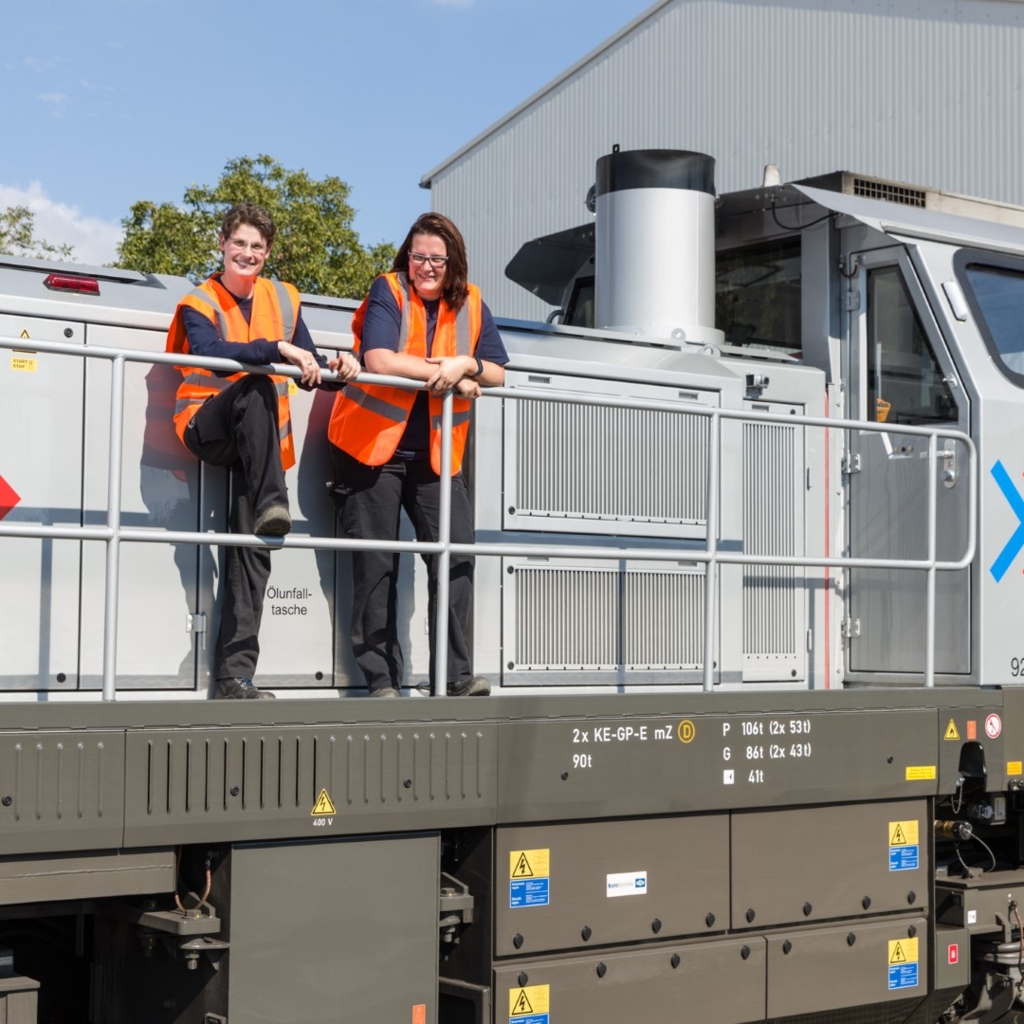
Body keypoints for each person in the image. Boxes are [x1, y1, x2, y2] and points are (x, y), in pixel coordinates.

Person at [165, 203, 360, 699]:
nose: (247, 253)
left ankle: (234, 676)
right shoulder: (198, 302)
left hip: (258, 449)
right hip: (205, 425)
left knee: (256, 553)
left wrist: (340, 367)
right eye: (239, 244)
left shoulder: (285, 299)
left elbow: (309, 366)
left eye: (257, 246)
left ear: (267, 253)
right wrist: (276, 349)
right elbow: (209, 354)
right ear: (222, 244)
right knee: (255, 385)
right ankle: (276, 504)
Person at [326, 212, 508, 697]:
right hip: (370, 447)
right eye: (418, 256)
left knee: (456, 557)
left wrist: (466, 363)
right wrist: (446, 373)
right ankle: (382, 681)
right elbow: (379, 359)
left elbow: (498, 372)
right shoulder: (388, 289)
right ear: (407, 256)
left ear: (454, 263)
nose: (426, 267)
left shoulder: (471, 302)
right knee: (377, 564)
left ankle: (455, 678)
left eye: (436, 259)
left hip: (436, 453)